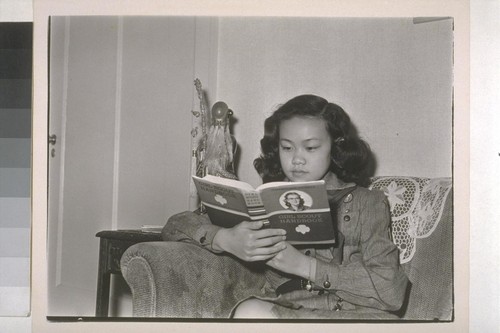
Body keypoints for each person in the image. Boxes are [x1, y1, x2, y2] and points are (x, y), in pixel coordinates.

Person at [164, 94, 408, 319]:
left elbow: (391, 291)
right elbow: (176, 225)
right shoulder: (263, 201)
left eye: (311, 147)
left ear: (336, 146)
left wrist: (307, 267)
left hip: (354, 317)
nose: (297, 159)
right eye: (287, 147)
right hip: (289, 313)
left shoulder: (368, 202)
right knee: (249, 311)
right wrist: (224, 239)